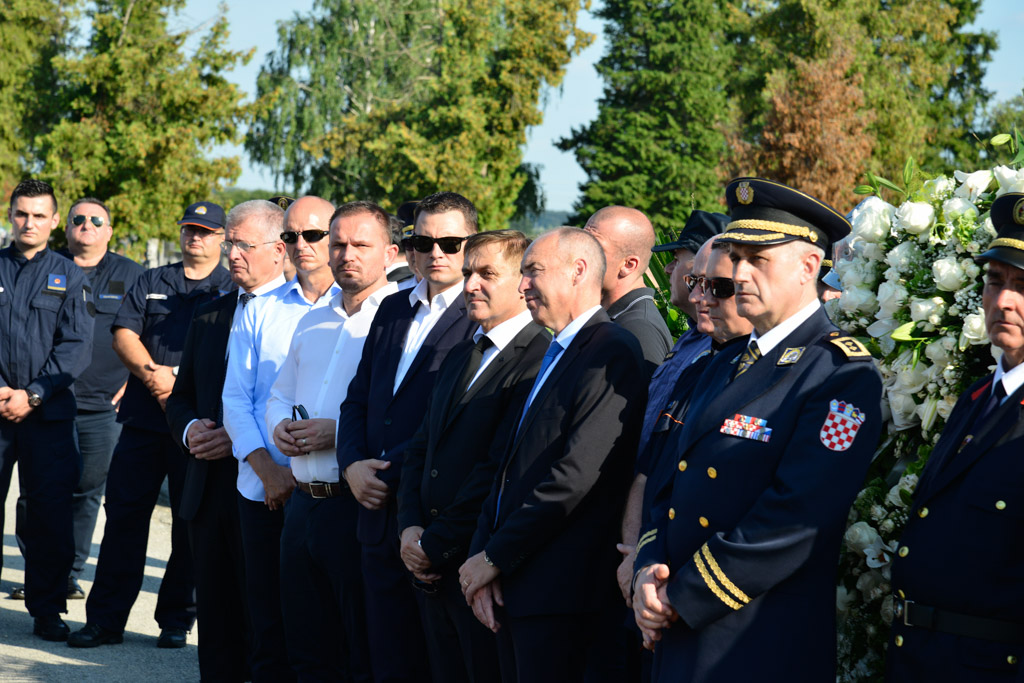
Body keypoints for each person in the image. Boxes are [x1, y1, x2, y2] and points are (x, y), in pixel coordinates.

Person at [632, 178, 884, 682]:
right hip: (679, 629)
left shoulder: (840, 375)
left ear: (809, 266)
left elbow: (796, 515)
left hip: (752, 640)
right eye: (737, 257)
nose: (740, 273)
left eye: (758, 260)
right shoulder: (722, 362)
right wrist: (648, 568)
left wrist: (682, 595)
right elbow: (669, 485)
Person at [459, 227, 647, 683]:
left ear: (578, 271)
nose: (523, 284)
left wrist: (493, 557)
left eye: (533, 271)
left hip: (561, 596)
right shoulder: (559, 349)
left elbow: (575, 476)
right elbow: (510, 467)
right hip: (517, 585)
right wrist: (482, 554)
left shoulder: (611, 349)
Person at [69, 201, 232, 649]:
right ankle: (105, 621)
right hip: (142, 422)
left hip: (196, 426)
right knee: (123, 520)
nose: (195, 237)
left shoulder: (230, 287)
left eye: (205, 231)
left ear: (222, 238)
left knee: (188, 524)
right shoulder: (153, 280)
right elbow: (124, 332)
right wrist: (153, 377)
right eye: (189, 229)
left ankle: (176, 619)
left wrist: (175, 380)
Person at [397, 229, 550, 683]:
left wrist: (434, 546)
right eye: (468, 273)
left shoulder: (539, 359)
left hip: (479, 568)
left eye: (486, 274)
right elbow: (421, 446)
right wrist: (409, 526)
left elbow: (497, 469)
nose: (470, 285)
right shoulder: (464, 351)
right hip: (430, 563)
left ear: (522, 282)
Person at [337, 191, 478, 683]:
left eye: (450, 243)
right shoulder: (393, 308)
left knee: (438, 663)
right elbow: (358, 397)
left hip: (432, 519)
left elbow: (453, 422)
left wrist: (382, 471)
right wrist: (351, 464)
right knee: (385, 657)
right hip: (373, 512)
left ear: (471, 244)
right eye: (423, 241)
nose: (436, 252)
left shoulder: (481, 317)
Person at [885, 192, 1024, 681]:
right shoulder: (977, 397)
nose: (1003, 301)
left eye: (1022, 286)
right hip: (923, 657)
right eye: (995, 281)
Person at [265, 201, 399, 682]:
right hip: (303, 504)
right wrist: (279, 426)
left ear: (391, 253)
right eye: (338, 243)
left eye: (361, 244)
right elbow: (280, 393)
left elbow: (406, 417)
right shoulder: (313, 319)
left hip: (356, 505)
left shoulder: (400, 323)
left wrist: (338, 433)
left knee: (359, 650)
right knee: (306, 649)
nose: (347, 254)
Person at [164, 199, 288, 681]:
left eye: (244, 245)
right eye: (230, 243)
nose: (232, 253)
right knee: (216, 620)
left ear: (278, 250)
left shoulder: (302, 313)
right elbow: (182, 397)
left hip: (269, 487)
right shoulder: (210, 313)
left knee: (266, 617)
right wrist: (192, 430)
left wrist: (240, 441)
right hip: (210, 485)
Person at [222, 195, 340, 681]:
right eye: (291, 235)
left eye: (313, 235)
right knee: (268, 627)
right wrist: (268, 471)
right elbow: (236, 398)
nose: (301, 244)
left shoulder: (363, 310)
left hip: (334, 489)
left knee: (329, 630)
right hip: (263, 489)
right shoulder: (260, 308)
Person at [0, 179, 93, 641]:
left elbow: (76, 347)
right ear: (10, 215)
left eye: (39, 215)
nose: (29, 222)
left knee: (49, 517)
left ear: (55, 221)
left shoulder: (69, 275)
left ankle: (47, 610)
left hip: (48, 415)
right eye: (22, 213)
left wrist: (33, 394)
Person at [60, 198, 144, 600]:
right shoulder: (48, 267)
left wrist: (137, 379)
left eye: (97, 220)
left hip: (104, 406)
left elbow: (150, 332)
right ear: (66, 228)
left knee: (88, 489)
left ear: (109, 230)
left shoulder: (133, 275)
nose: (87, 225)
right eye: (78, 219)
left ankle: (70, 571)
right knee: (40, 490)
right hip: (49, 401)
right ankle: (40, 569)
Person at [583, 206, 672, 376]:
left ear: (628, 265)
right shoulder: (616, 318)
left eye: (594, 247)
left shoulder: (638, 328)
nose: (580, 256)